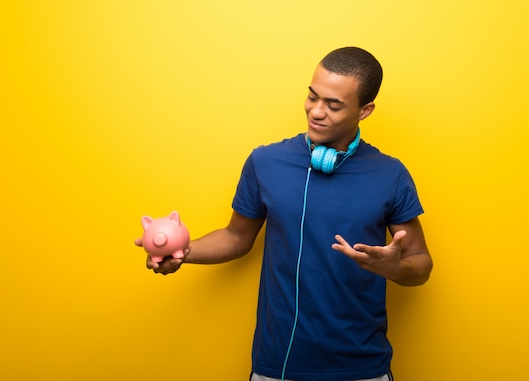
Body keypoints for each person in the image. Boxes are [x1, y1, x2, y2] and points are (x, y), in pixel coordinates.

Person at [136, 47, 433, 381]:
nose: (316, 112)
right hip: (277, 364)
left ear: (365, 110)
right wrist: (182, 253)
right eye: (312, 97)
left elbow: (421, 264)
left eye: (333, 105)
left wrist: (396, 267)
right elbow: (236, 237)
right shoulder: (266, 162)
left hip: (362, 367)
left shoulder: (390, 174)